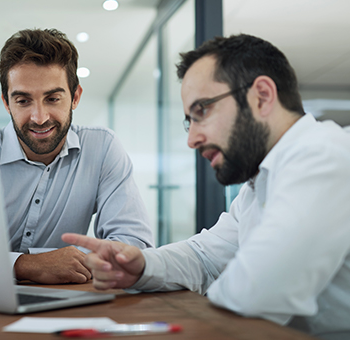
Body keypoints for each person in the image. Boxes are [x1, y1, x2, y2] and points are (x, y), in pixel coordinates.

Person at [62, 34, 350, 339]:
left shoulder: (324, 156)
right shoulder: (259, 184)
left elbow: (254, 293)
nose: (192, 139)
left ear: (262, 96)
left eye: (202, 111)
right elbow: (205, 258)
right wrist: (142, 265)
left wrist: (221, 280)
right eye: (190, 121)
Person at [0, 28, 153, 284]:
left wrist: (65, 262)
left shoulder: (102, 148)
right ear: (6, 102)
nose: (39, 118)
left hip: (68, 304)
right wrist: (25, 265)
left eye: (52, 98)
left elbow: (134, 247)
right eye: (23, 101)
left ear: (75, 97)